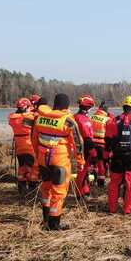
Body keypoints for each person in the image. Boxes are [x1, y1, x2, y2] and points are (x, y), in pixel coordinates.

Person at [31, 93, 85, 230]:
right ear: (66, 106)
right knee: (59, 192)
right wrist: (80, 161)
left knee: (46, 188)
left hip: (43, 159)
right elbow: (78, 143)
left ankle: (45, 219)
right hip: (59, 160)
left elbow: (34, 139)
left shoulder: (40, 117)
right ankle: (54, 224)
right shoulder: (68, 121)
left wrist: (38, 156)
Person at [105, 96, 131, 214]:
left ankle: (112, 209)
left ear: (123, 107)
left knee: (114, 184)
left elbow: (107, 142)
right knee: (130, 185)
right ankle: (128, 210)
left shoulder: (113, 121)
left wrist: (105, 158)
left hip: (117, 157)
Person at [8, 98, 38, 195]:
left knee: (22, 166)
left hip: (19, 147)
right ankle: (33, 187)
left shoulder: (12, 118)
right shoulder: (30, 118)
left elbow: (21, 117)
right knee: (34, 167)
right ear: (26, 107)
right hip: (29, 145)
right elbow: (34, 118)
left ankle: (22, 186)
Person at [74, 95, 96, 198]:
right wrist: (93, 151)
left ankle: (85, 190)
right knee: (82, 172)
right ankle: (80, 193)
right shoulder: (82, 119)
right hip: (84, 148)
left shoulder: (76, 117)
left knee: (84, 171)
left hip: (80, 147)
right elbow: (87, 137)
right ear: (88, 107)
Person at [90, 101, 113, 187]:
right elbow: (110, 134)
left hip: (91, 143)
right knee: (101, 164)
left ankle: (91, 179)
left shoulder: (91, 117)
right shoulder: (107, 119)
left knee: (92, 162)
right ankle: (100, 183)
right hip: (101, 144)